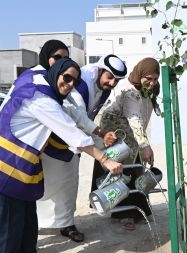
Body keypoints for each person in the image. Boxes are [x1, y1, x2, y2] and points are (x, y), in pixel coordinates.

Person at [0, 58, 123, 253]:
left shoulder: (42, 84)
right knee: (10, 224)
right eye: (66, 78)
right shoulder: (42, 100)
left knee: (28, 222)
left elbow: (75, 116)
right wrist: (105, 159)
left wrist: (100, 132)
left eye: (74, 79)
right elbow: (71, 131)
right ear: (56, 73)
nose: (70, 84)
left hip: (20, 167)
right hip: (5, 166)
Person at [36, 52, 127, 242]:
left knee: (69, 184)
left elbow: (82, 118)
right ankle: (37, 224)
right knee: (43, 186)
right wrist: (102, 156)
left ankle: (66, 224)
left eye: (116, 80)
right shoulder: (80, 86)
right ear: (100, 70)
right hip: (55, 143)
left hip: (74, 145)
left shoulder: (103, 87)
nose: (112, 83)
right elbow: (74, 124)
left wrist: (101, 134)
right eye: (110, 77)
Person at [91, 57, 161, 231]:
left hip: (131, 134)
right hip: (115, 134)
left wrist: (142, 143)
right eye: (148, 78)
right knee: (122, 171)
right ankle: (125, 214)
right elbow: (134, 118)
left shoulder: (150, 89)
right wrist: (145, 145)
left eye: (155, 78)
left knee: (135, 169)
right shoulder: (130, 92)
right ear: (140, 74)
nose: (152, 83)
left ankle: (138, 209)